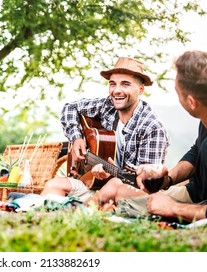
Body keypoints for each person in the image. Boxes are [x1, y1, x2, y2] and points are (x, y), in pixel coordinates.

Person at [116, 50, 207, 221]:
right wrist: (167, 179)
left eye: (177, 92)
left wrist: (172, 208)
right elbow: (198, 149)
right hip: (200, 189)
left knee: (126, 206)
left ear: (192, 102)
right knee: (122, 194)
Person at [41, 57, 170, 205]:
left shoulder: (152, 128)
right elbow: (69, 108)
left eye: (125, 84)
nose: (116, 90)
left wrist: (113, 175)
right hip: (95, 184)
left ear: (140, 90)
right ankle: (52, 219)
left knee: (114, 184)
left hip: (126, 195)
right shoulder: (107, 106)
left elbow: (146, 185)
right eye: (112, 84)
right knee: (54, 185)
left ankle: (79, 212)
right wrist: (77, 138)